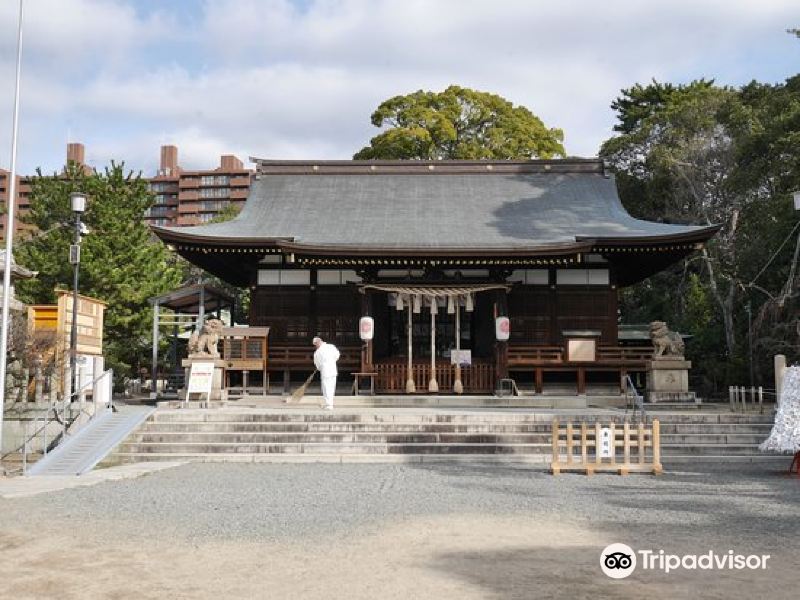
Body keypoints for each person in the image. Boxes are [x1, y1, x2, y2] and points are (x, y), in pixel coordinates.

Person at [313, 336, 340, 410]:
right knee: (331, 387)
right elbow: (337, 355)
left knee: (326, 388)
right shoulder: (331, 346)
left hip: (325, 371)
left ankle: (329, 405)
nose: (316, 346)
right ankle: (330, 404)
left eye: (315, 344)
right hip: (333, 370)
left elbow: (317, 364)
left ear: (317, 343)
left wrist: (320, 367)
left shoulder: (317, 352)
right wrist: (332, 361)